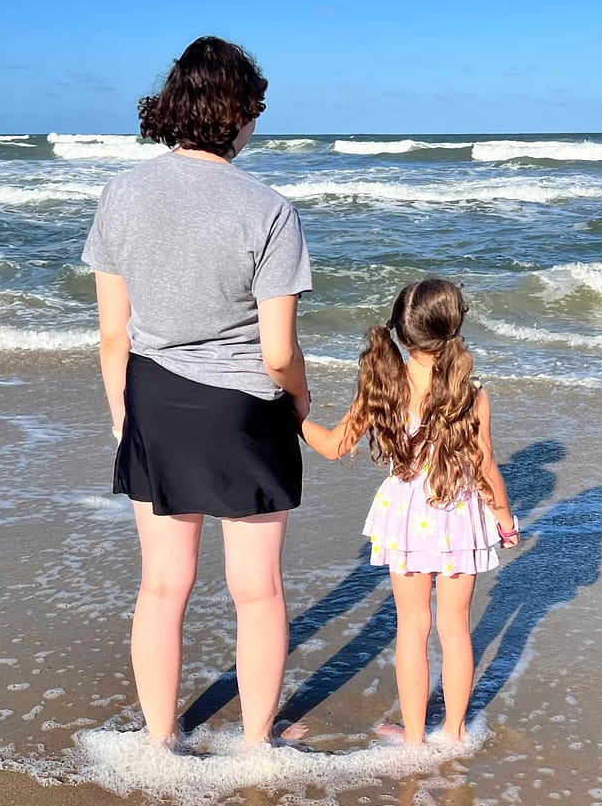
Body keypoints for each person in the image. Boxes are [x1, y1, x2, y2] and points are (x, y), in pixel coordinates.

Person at [83, 36, 312, 748]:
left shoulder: (121, 194)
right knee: (258, 591)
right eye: (258, 108)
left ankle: (158, 741)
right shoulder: (268, 208)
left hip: (153, 399)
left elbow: (113, 334)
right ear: (239, 112)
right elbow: (277, 353)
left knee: (161, 586)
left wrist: (125, 419)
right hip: (244, 409)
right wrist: (301, 404)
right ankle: (255, 744)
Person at [301, 279, 518, 745]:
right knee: (456, 629)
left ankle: (416, 738)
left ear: (401, 329)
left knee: (411, 627)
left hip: (406, 517)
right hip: (459, 512)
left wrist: (292, 415)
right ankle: (456, 733)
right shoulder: (471, 393)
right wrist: (504, 520)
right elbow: (486, 468)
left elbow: (335, 446)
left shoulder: (385, 386)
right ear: (454, 328)